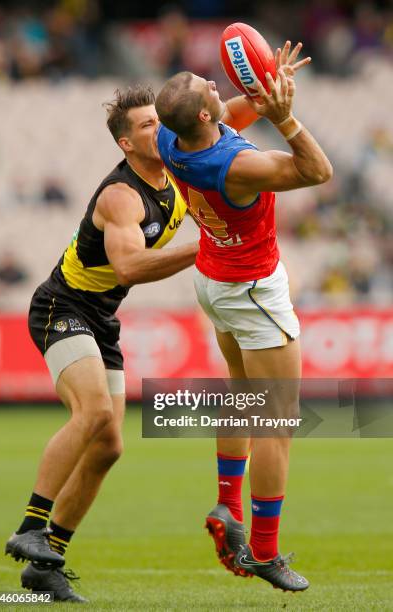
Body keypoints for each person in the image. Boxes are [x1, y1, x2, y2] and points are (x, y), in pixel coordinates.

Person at [5, 85, 197, 603]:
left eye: (161, 120)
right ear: (126, 145)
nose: (160, 128)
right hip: (61, 308)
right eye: (147, 126)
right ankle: (30, 525)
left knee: (110, 446)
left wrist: (269, 100)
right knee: (91, 414)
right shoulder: (121, 195)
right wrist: (204, 249)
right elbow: (129, 267)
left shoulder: (177, 165)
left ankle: (47, 566)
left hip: (100, 318)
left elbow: (219, 121)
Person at [155, 43, 332, 591]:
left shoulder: (171, 137)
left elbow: (231, 114)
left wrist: (261, 83)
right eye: (206, 84)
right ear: (204, 115)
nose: (213, 82)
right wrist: (284, 116)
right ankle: (264, 551)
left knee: (240, 392)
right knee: (277, 424)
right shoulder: (236, 166)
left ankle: (227, 504)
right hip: (252, 289)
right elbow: (317, 171)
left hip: (214, 278)